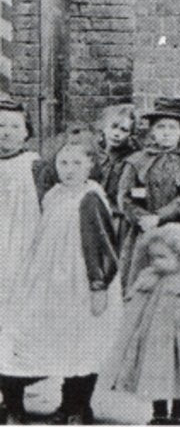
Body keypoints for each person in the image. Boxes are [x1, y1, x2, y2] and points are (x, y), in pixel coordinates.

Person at [0, 131, 122, 425]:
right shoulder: (54, 195)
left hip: (78, 283)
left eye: (77, 163)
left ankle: (76, 406)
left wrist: (98, 286)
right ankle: (14, 405)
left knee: (81, 342)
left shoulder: (90, 198)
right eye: (63, 162)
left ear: (91, 165)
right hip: (46, 280)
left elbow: (103, 248)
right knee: (22, 337)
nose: (69, 169)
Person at [101, 222, 180, 426]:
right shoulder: (150, 276)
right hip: (155, 340)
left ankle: (178, 415)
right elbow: (135, 300)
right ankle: (159, 413)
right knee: (155, 376)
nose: (155, 262)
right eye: (152, 257)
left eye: (162, 257)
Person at [117, 96, 180, 288]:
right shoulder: (137, 160)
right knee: (141, 280)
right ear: (152, 131)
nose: (166, 133)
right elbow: (125, 197)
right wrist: (142, 218)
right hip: (143, 232)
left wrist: (159, 217)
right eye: (160, 127)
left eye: (172, 127)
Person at [0, 95, 55, 396]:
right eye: (0, 126)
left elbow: (50, 212)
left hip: (22, 256)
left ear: (25, 132)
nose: (5, 132)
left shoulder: (35, 167)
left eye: (13, 126)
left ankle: (14, 398)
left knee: (18, 330)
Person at [95, 103, 138, 215]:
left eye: (124, 130)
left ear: (130, 134)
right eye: (113, 127)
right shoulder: (94, 153)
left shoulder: (132, 159)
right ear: (104, 127)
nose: (117, 134)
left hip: (118, 214)